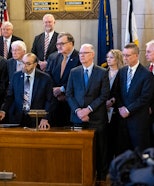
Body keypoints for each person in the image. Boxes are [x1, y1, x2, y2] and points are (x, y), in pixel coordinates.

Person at [66, 43, 110, 181]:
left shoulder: (102, 72)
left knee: (99, 148)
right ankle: (80, 175)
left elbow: (104, 95)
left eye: (85, 53)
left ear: (92, 54)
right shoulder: (74, 72)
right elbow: (69, 94)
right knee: (79, 148)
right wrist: (78, 110)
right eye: (80, 53)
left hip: (96, 117)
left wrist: (88, 110)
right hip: (77, 117)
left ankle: (101, 177)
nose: (82, 55)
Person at [0, 53, 52, 129]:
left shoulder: (45, 78)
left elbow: (49, 100)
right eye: (23, 63)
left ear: (35, 64)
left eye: (28, 64)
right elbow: (10, 96)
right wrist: (3, 111)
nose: (24, 66)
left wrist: (45, 118)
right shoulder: (16, 76)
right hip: (18, 117)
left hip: (37, 118)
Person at [116, 43, 154, 153]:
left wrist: (128, 110)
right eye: (123, 55)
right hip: (122, 120)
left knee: (139, 154)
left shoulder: (147, 74)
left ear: (136, 55)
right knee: (123, 154)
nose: (125, 58)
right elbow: (117, 92)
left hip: (138, 121)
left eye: (128, 55)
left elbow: (145, 97)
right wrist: (121, 107)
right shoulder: (122, 72)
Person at [45, 32, 81, 127]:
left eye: (62, 44)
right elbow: (48, 76)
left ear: (71, 43)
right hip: (54, 103)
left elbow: (78, 80)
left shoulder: (80, 57)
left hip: (71, 103)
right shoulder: (53, 57)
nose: (59, 46)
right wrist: (53, 90)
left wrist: (62, 89)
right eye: (58, 44)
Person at [105, 49, 123, 165]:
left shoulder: (122, 73)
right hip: (103, 109)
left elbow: (122, 91)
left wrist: (113, 100)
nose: (108, 59)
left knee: (116, 138)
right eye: (107, 57)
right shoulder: (103, 72)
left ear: (117, 59)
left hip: (117, 110)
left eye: (111, 57)